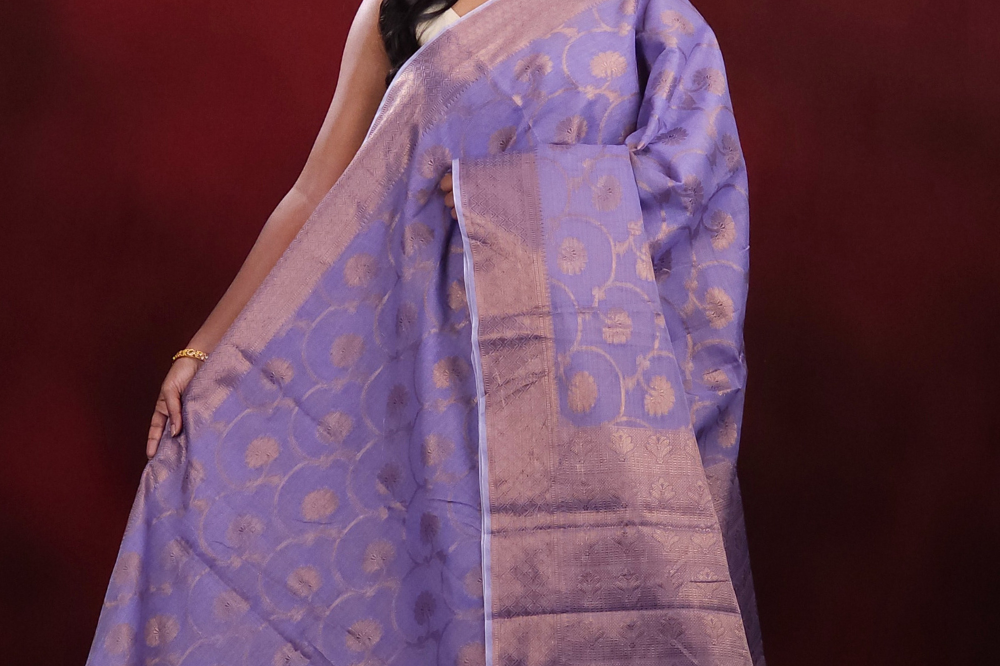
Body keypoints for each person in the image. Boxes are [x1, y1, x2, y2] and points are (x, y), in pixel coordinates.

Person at [90, 0, 766, 664]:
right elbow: (314, 192)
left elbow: (692, 173)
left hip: (579, 386)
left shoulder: (636, 10)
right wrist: (203, 346)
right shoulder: (394, 10)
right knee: (433, 606)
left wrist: (515, 197)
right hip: (428, 385)